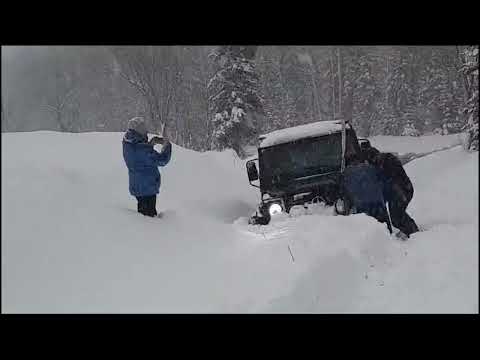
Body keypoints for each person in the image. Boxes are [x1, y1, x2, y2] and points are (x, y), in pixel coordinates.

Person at [122, 117, 172, 217]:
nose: (146, 132)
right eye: (144, 130)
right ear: (139, 131)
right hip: (147, 188)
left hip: (138, 187)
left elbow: (140, 155)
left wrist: (150, 144)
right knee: (149, 218)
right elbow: (162, 160)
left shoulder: (128, 144)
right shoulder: (142, 151)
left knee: (142, 214)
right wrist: (167, 144)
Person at [365, 147, 419, 238]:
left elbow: (390, 179)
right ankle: (409, 230)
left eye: (368, 162)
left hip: (402, 191)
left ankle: (414, 233)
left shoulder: (386, 162)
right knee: (397, 215)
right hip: (400, 190)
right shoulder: (384, 161)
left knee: (396, 216)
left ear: (372, 158)